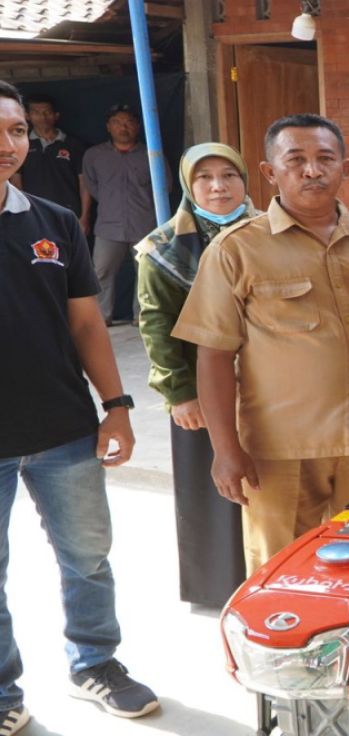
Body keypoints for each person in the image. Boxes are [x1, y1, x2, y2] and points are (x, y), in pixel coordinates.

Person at [172, 114, 349, 574]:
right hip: (277, 453)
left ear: (345, 168)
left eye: (325, 159)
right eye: (296, 160)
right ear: (270, 172)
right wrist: (225, 449)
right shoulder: (237, 250)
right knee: (280, 571)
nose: (312, 171)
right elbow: (212, 355)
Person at [0, 81, 157, 734]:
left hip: (64, 430)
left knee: (88, 557)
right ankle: (4, 693)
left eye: (15, 131)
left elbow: (89, 326)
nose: (6, 144)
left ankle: (96, 662)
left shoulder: (53, 220)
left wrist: (117, 405)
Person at [135, 143, 259, 606]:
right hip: (202, 387)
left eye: (229, 175)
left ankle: (271, 570)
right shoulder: (164, 250)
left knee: (267, 482)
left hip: (270, 385)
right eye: (205, 178)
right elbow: (156, 323)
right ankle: (219, 586)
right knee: (215, 486)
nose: (218, 186)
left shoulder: (270, 231)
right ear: (189, 187)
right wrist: (179, 393)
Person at [83, 104, 161, 325]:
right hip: (108, 225)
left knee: (146, 273)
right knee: (100, 273)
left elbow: (165, 187)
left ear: (137, 126)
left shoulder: (151, 153)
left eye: (128, 122)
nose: (123, 127)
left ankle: (142, 316)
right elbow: (91, 186)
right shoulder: (94, 155)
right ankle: (101, 317)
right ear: (109, 126)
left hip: (144, 224)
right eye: (117, 122)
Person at [14, 94, 91, 230]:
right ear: (27, 116)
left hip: (68, 213)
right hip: (34, 213)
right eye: (36, 113)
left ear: (56, 115)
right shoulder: (20, 144)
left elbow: (84, 183)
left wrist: (85, 217)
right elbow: (16, 182)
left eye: (47, 112)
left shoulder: (74, 145)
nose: (43, 117)